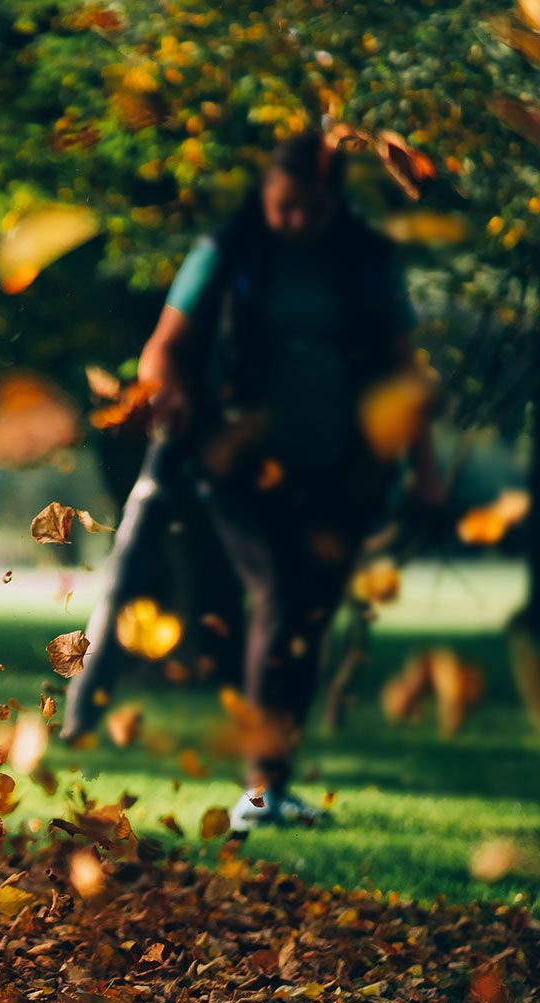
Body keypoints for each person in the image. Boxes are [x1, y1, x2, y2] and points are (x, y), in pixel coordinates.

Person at [66, 129, 441, 831]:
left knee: (309, 612)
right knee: (280, 588)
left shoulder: (366, 260)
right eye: (285, 207)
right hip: (236, 458)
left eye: (312, 210)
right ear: (265, 195)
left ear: (335, 204)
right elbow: (165, 349)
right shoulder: (227, 251)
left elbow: (402, 368)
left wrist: (424, 470)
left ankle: (274, 779)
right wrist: (164, 394)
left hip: (343, 466)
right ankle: (262, 790)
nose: (298, 222)